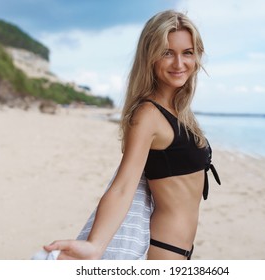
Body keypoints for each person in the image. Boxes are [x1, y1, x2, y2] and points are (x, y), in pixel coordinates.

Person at [42, 10, 220, 260]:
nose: (179, 64)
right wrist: (95, 245)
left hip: (182, 249)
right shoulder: (148, 115)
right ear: (150, 56)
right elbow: (123, 186)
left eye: (187, 53)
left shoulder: (179, 111)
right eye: (167, 52)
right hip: (164, 250)